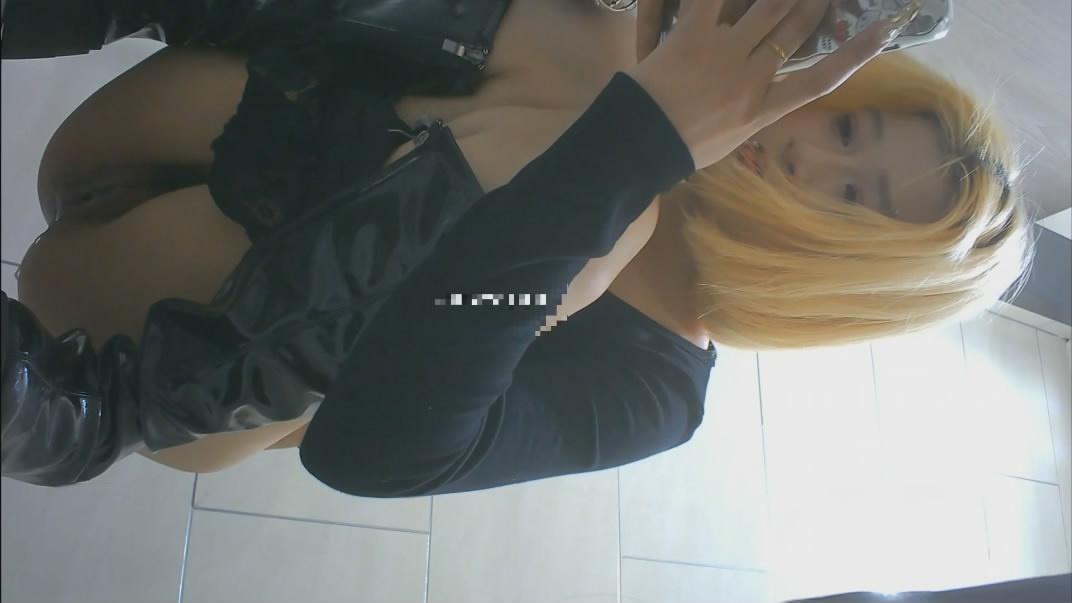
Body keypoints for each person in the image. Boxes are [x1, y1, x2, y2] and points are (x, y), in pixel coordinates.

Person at [0, 0, 1031, 496]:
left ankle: (86, 414)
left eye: (851, 199)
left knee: (597, 175)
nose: (805, 157)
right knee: (590, 34)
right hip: (175, 125)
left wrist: (633, 151)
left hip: (151, 349)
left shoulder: (655, 385)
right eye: (847, 127)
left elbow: (372, 454)